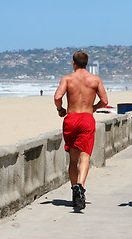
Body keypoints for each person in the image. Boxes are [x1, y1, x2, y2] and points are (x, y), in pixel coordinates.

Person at [54, 51, 108, 209]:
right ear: (87, 63)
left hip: (71, 118)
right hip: (86, 118)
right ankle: (81, 186)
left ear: (73, 63)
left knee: (73, 159)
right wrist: (94, 108)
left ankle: (74, 190)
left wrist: (60, 109)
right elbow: (104, 101)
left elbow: (58, 97)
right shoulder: (95, 80)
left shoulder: (68, 79)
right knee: (85, 158)